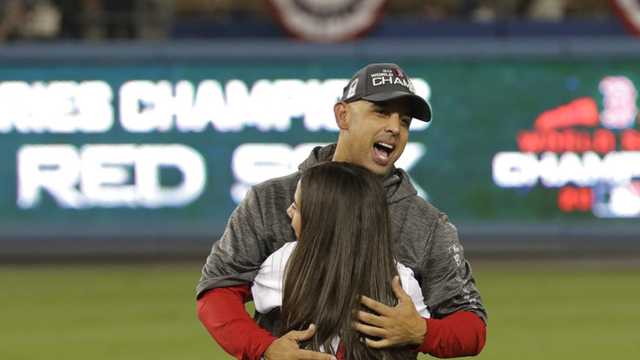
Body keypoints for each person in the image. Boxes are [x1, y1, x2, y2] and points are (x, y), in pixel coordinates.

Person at [196, 63, 488, 359]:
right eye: (381, 111)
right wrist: (265, 349)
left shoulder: (426, 224)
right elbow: (218, 291)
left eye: (405, 120)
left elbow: (471, 325)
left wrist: (423, 332)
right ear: (342, 115)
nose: (394, 128)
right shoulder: (272, 199)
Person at [251, 161, 430, 359]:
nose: (289, 212)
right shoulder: (403, 281)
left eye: (297, 207)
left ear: (321, 222)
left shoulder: (283, 263)